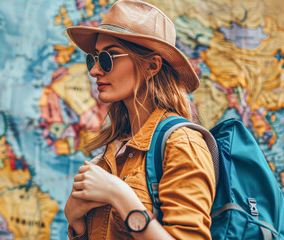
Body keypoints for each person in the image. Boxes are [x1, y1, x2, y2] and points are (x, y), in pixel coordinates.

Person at [64, 0, 215, 239]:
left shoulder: (182, 144)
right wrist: (77, 223)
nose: (94, 70)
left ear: (151, 66)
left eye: (108, 57)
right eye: (93, 58)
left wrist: (119, 195)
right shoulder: (113, 152)